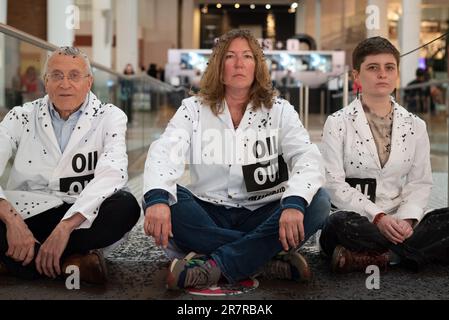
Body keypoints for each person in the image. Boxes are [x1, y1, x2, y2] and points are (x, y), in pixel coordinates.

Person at [142, 29, 330, 291]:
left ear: (257, 66)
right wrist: (158, 200)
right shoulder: (193, 108)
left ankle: (213, 263)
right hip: (208, 211)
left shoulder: (280, 110)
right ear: (219, 66)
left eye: (247, 56)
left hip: (264, 212)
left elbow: (306, 157)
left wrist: (294, 204)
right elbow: (165, 150)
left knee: (318, 201)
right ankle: (262, 257)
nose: (239, 63)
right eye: (230, 56)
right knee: (162, 199)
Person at [0, 47, 140, 284]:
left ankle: (23, 262)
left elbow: (112, 174)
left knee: (126, 207)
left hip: (80, 216)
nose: (65, 84)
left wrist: (64, 228)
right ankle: (72, 262)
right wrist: (13, 222)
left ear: (89, 82)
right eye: (56, 75)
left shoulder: (110, 116)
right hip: (28, 214)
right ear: (46, 82)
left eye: (74, 75)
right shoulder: (21, 116)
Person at [319, 36, 449, 274]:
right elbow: (333, 184)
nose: (382, 74)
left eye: (389, 68)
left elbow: (420, 182)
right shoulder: (337, 123)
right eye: (373, 68)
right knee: (336, 224)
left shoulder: (415, 125)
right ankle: (404, 254)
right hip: (358, 220)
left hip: (398, 216)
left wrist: (407, 220)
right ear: (356, 76)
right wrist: (377, 217)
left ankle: (379, 257)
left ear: (396, 74)